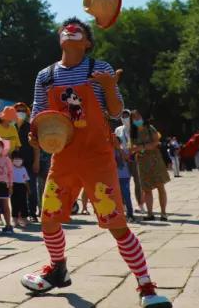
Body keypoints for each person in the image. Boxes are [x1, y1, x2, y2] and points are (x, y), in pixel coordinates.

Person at [21, 17, 172, 308]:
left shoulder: (100, 68)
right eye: (66, 29)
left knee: (117, 224)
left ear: (87, 42)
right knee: (48, 219)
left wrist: (109, 86)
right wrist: (35, 135)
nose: (70, 30)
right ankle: (57, 269)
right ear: (59, 39)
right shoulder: (46, 76)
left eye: (78, 30)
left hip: (97, 158)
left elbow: (115, 113)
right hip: (63, 157)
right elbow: (39, 113)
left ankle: (146, 286)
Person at [128, 111, 169, 221]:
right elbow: (132, 147)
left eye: (138, 116)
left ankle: (163, 213)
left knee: (160, 186)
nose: (137, 119)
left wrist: (141, 147)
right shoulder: (133, 132)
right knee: (146, 189)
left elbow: (156, 142)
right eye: (134, 118)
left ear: (141, 116)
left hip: (155, 160)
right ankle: (150, 213)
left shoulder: (150, 128)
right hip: (142, 162)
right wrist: (135, 149)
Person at [13, 102, 38, 221]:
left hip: (29, 161)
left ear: (27, 113)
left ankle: (32, 213)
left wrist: (36, 161)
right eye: (18, 110)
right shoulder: (10, 127)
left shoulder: (30, 127)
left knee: (31, 188)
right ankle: (18, 213)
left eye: (23, 110)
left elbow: (36, 146)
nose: (20, 113)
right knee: (16, 190)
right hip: (14, 163)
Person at [114, 134, 135, 223]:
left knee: (126, 195)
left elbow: (127, 158)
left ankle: (130, 214)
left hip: (124, 176)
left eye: (117, 142)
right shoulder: (109, 151)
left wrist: (120, 150)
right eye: (113, 142)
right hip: (114, 177)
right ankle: (118, 214)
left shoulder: (123, 150)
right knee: (116, 197)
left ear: (120, 142)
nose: (115, 143)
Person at [10, 149, 30, 229]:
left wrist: (28, 189)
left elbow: (26, 180)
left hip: (22, 187)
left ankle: (24, 218)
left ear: (22, 160)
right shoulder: (11, 168)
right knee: (14, 203)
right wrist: (10, 188)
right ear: (12, 160)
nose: (18, 160)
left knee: (23, 203)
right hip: (14, 186)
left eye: (19, 158)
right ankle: (14, 219)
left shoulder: (23, 168)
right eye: (15, 159)